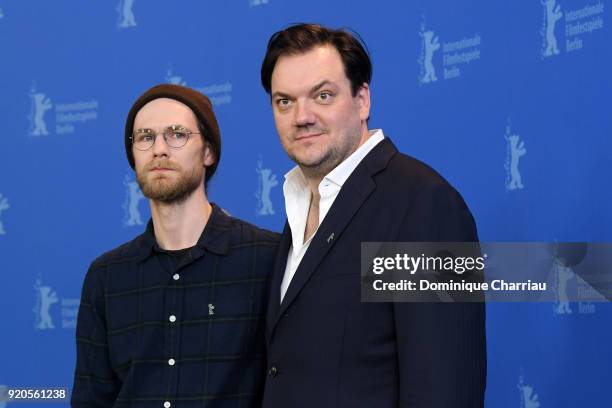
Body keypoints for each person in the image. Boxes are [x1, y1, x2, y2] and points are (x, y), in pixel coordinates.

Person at [259, 24, 486, 407]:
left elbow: (446, 388)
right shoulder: (299, 205)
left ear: (362, 100)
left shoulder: (424, 204)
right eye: (285, 102)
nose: (302, 116)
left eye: (323, 95)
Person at [71, 84, 279, 408]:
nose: (159, 149)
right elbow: (91, 400)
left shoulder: (267, 258)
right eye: (145, 137)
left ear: (208, 151)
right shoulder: (106, 276)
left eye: (177, 134)